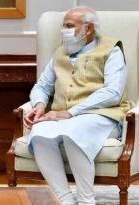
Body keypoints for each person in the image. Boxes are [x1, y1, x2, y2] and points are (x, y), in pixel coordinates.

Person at [24, 6, 130, 205]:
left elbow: (113, 92)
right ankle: (65, 200)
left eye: (69, 26)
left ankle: (85, 201)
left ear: (88, 29)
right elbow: (43, 86)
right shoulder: (60, 54)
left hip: (102, 115)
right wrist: (39, 105)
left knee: (74, 132)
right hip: (63, 117)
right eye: (62, 26)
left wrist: (70, 113)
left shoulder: (111, 50)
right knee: (38, 133)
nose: (63, 30)